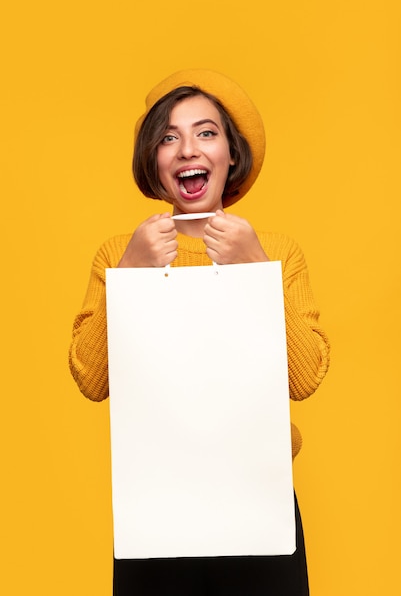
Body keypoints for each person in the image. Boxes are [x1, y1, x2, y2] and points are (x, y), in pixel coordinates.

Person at [69, 69, 330, 595]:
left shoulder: (276, 250)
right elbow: (91, 380)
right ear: (153, 160)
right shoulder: (120, 253)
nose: (188, 148)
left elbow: (304, 378)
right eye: (169, 136)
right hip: (155, 509)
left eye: (206, 133)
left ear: (232, 153)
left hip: (259, 503)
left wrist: (255, 265)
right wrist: (131, 272)